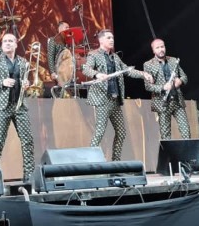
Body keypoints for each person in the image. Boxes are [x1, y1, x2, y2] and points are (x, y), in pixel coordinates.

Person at [82, 30, 153, 161]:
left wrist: (144, 74)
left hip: (115, 100)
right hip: (103, 100)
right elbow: (86, 69)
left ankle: (116, 161)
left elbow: (128, 71)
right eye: (109, 38)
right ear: (101, 40)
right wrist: (97, 74)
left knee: (121, 132)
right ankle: (90, 161)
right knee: (100, 132)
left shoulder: (115, 57)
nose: (112, 40)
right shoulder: (94, 55)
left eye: (112, 38)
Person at [0, 32, 35, 182]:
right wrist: (2, 82)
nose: (7, 43)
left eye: (10, 41)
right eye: (5, 41)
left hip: (19, 106)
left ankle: (29, 176)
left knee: (27, 141)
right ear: (1, 44)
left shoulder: (23, 61)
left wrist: (26, 84)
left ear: (16, 44)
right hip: (2, 106)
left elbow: (26, 81)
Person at [143, 38, 191, 140]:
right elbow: (148, 86)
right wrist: (163, 87)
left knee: (186, 131)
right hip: (162, 103)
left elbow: (184, 77)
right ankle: (168, 151)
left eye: (162, 46)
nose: (161, 49)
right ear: (153, 50)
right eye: (157, 47)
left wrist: (180, 81)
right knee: (165, 135)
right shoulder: (148, 64)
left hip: (177, 101)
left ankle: (187, 150)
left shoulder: (173, 60)